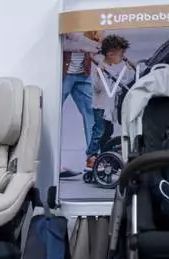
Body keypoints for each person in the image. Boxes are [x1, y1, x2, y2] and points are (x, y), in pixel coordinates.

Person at [60, 30, 102, 179]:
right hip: (62, 75)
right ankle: (53, 164)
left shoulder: (90, 26)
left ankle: (93, 160)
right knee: (52, 115)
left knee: (91, 114)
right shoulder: (64, 21)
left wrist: (84, 41)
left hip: (83, 75)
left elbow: (97, 45)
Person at [91, 34, 134, 154]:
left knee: (108, 132)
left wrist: (128, 71)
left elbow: (120, 84)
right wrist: (100, 76)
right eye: (121, 54)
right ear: (110, 54)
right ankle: (92, 155)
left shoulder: (111, 67)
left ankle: (105, 152)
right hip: (100, 107)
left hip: (108, 109)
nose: (123, 57)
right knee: (100, 133)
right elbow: (97, 87)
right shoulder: (99, 68)